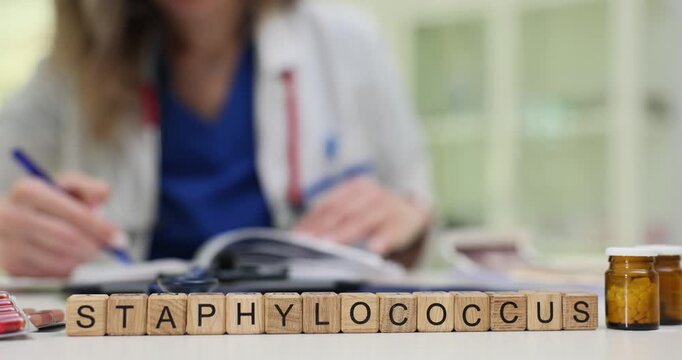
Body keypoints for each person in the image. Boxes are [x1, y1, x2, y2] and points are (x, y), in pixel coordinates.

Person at [0, 0, 432, 277]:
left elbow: (415, 229)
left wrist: (406, 226)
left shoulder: (349, 45)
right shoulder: (69, 76)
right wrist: (15, 238)